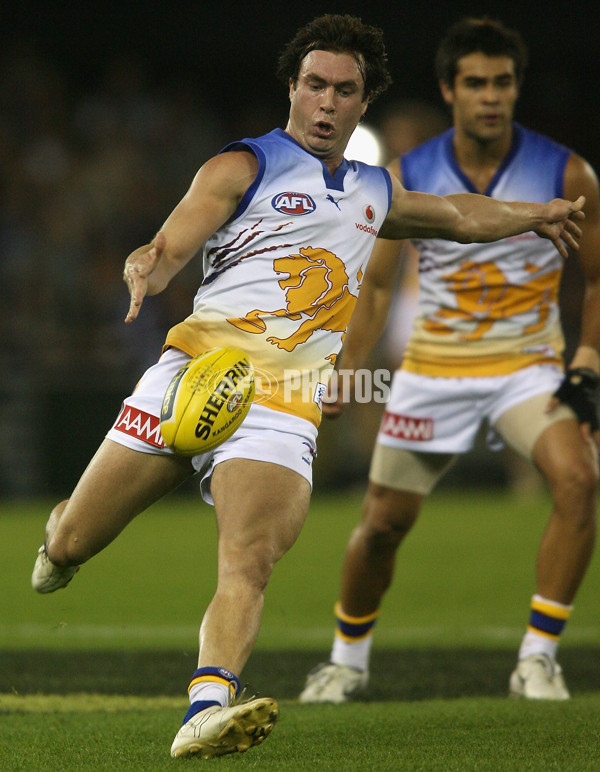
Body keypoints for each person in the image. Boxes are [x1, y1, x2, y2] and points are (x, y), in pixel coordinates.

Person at [31, 14, 585, 760]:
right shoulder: (242, 166)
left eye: (345, 90)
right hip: (194, 376)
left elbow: (456, 216)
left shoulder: (373, 190)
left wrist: (536, 214)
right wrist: (149, 265)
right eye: (316, 85)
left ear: (363, 102)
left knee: (250, 557)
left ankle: (207, 703)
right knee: (69, 548)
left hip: (284, 404)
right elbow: (173, 242)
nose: (327, 102)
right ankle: (64, 537)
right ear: (293, 88)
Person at [299, 17, 600, 706]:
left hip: (528, 369)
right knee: (380, 528)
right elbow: (375, 286)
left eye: (502, 82)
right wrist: (351, 361)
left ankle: (538, 658)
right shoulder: (408, 173)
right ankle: (347, 661)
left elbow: (599, 278)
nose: (489, 96)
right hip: (433, 372)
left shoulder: (568, 170)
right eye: (475, 83)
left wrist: (585, 360)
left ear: (517, 88)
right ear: (450, 89)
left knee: (579, 481)